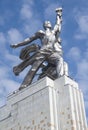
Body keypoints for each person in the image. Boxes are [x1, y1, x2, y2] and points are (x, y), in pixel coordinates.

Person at [11, 7, 66, 89]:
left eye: (49, 22)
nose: (48, 23)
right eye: (46, 22)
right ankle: (23, 85)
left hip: (51, 53)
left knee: (59, 60)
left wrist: (58, 15)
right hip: (42, 52)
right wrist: (17, 45)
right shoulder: (41, 33)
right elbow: (29, 39)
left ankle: (61, 77)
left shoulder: (53, 32)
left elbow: (58, 25)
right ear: (44, 25)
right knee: (33, 69)